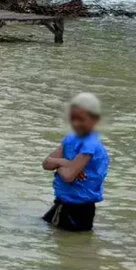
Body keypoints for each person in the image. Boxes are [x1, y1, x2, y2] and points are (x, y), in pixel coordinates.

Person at [41, 93, 110, 232]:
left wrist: (59, 165)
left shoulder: (91, 145)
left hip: (79, 210)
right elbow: (46, 164)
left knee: (69, 247)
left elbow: (68, 176)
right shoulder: (70, 138)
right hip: (61, 204)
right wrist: (66, 162)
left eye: (81, 119)